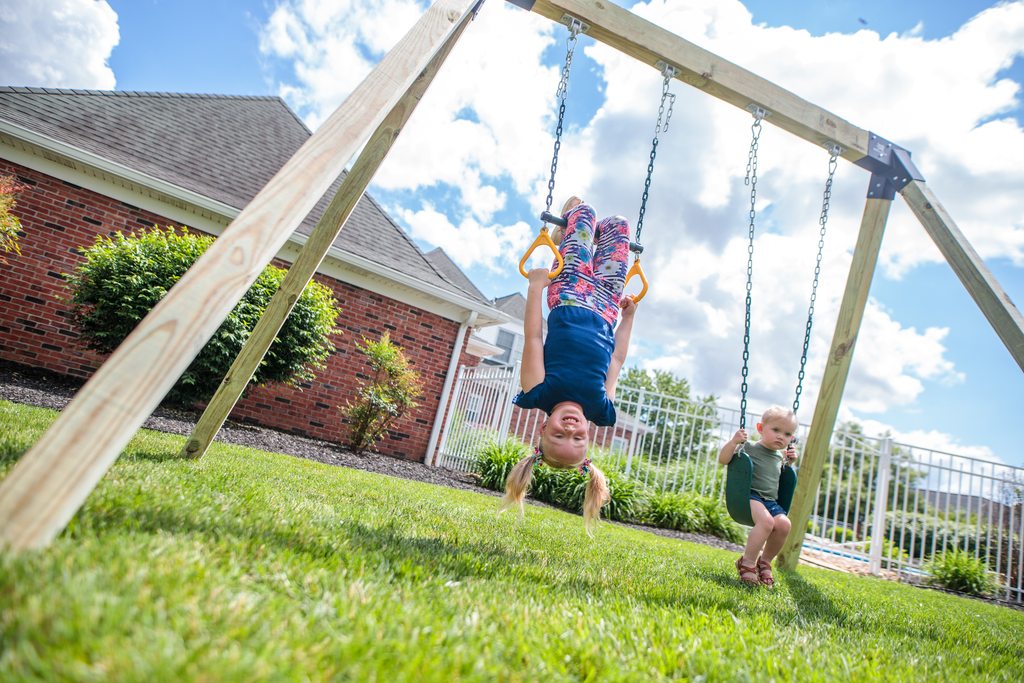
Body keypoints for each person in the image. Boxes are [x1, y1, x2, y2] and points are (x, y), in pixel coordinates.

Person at [498, 197, 639, 531]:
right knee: (618, 224)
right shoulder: (600, 407)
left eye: (559, 435)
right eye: (577, 439)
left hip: (569, 293)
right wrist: (628, 318)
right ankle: (569, 236)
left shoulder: (539, 391)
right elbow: (617, 359)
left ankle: (567, 233)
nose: (572, 429)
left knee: (585, 213)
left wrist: (535, 288)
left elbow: (533, 337)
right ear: (588, 440)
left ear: (544, 428)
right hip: (607, 305)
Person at [717, 405, 799, 587]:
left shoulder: (780, 456)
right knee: (767, 522)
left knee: (784, 524)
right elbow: (723, 460)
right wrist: (734, 442)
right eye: (776, 430)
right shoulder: (749, 447)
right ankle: (747, 562)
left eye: (787, 434)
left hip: (770, 501)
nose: (781, 436)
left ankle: (765, 561)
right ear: (761, 428)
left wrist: (790, 462)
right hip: (750, 497)